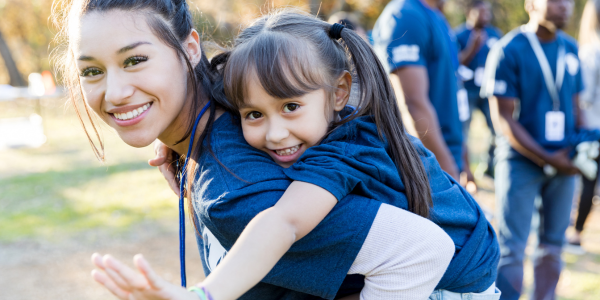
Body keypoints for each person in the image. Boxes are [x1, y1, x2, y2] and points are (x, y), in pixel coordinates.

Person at [51, 1, 456, 299]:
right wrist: (169, 133)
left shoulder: (235, 190)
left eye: (136, 59)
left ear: (191, 48)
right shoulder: (238, 105)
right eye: (92, 71)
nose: (116, 92)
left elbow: (416, 252)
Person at [481, 0, 583, 298]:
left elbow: (576, 108)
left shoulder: (571, 48)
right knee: (512, 247)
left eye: (569, 1)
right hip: (520, 162)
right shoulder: (509, 49)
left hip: (565, 161)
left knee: (553, 245)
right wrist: (548, 157)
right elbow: (503, 119)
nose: (564, 7)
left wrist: (583, 148)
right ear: (531, 5)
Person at [372, 0, 464, 180]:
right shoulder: (406, 16)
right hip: (425, 167)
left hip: (446, 156)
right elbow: (413, 104)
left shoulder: (435, 16)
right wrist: (447, 173)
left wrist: (462, 160)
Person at [455, 0, 503, 178]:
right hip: (467, 91)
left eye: (487, 12)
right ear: (470, 13)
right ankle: (463, 169)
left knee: (497, 128)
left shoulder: (494, 34)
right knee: (464, 130)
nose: (486, 16)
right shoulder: (459, 35)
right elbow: (456, 63)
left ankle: (489, 166)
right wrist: (472, 48)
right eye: (481, 12)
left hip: (489, 91)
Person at [567, 0, 600, 252]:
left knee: (587, 181)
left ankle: (576, 234)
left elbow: (584, 97)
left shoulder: (591, 51)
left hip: (593, 127)